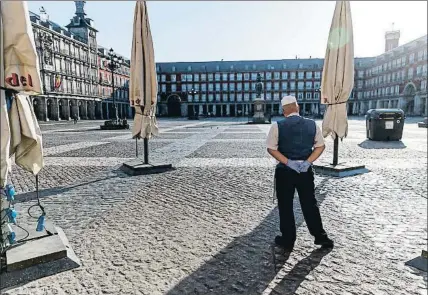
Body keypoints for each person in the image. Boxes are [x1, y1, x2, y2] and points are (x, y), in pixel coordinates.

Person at [266, 96, 333, 251]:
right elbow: (320, 147)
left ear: (284, 111)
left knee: (285, 205)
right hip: (305, 172)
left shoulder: (277, 126)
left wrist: (288, 162)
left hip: (285, 172)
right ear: (298, 108)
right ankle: (320, 237)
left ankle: (288, 240)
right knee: (310, 204)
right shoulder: (312, 124)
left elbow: (271, 148)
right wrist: (307, 162)